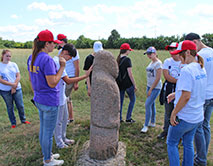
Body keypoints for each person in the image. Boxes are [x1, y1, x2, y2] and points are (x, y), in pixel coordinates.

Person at [27, 29, 65, 166]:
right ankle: (48, 160)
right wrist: (62, 67)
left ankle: (47, 154)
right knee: (48, 133)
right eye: (53, 43)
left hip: (39, 99)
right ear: (46, 43)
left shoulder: (32, 57)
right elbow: (53, 82)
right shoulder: (47, 60)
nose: (54, 46)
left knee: (43, 129)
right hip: (49, 100)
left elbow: (32, 80)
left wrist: (37, 92)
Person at [166, 40, 207, 166]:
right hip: (197, 116)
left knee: (171, 143)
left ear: (188, 52)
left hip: (185, 117)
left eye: (180, 53)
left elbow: (186, 96)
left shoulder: (187, 70)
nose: (178, 56)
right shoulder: (201, 68)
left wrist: (174, 113)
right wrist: (176, 94)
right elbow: (192, 90)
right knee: (188, 143)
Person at [53, 44, 91, 149]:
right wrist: (85, 76)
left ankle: (64, 138)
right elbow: (67, 80)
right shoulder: (57, 62)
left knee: (65, 118)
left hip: (62, 95)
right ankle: (59, 142)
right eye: (70, 57)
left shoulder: (61, 61)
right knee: (59, 121)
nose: (69, 59)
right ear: (65, 52)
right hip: (58, 96)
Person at [185, 33, 213, 166]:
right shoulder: (212, 52)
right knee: (206, 126)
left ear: (195, 42)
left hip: (203, 96)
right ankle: (202, 154)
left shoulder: (200, 56)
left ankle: (201, 158)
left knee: (198, 129)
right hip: (212, 94)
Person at [0, 50, 30, 128]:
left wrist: (14, 86)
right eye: (7, 56)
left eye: (10, 56)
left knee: (20, 105)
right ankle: (13, 123)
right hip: (5, 90)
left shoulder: (13, 64)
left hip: (17, 88)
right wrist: (12, 85)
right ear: (2, 56)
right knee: (10, 106)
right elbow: (1, 80)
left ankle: (23, 120)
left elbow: (18, 75)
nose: (8, 58)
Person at [157, 42, 181, 139]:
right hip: (169, 88)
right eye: (170, 49)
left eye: (173, 49)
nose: (171, 51)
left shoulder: (183, 62)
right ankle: (166, 131)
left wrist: (181, 84)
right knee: (168, 111)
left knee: (179, 112)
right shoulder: (167, 61)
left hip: (180, 89)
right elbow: (166, 76)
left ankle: (178, 134)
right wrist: (180, 82)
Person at [57, 34, 80, 124]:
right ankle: (70, 117)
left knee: (64, 98)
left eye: (59, 42)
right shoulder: (61, 52)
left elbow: (77, 67)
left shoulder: (73, 51)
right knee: (67, 98)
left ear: (62, 41)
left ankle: (65, 118)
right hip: (63, 77)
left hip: (70, 77)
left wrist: (76, 82)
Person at [141, 46, 162, 133]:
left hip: (156, 87)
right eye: (147, 54)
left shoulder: (158, 63)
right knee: (151, 104)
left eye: (150, 54)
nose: (149, 56)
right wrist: (148, 87)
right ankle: (152, 122)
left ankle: (146, 125)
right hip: (149, 86)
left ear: (155, 53)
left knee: (147, 104)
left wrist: (151, 89)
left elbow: (158, 78)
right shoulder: (151, 63)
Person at [117, 43, 137, 123]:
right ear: (127, 50)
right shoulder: (127, 60)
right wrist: (134, 85)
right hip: (128, 84)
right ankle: (128, 118)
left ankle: (120, 118)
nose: (129, 51)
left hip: (120, 84)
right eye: (129, 50)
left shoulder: (118, 59)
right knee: (132, 100)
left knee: (120, 102)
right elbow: (130, 74)